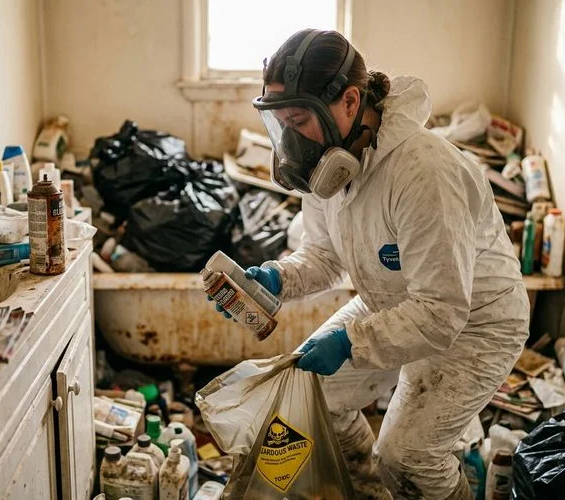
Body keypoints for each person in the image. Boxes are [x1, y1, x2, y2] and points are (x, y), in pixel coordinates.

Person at [208, 29, 529, 500]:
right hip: (393, 303)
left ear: (351, 100)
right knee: (315, 395)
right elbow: (324, 256)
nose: (291, 141)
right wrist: (277, 278)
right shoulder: (329, 165)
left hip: (476, 322)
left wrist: (351, 341)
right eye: (281, 124)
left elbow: (440, 313)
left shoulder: (424, 173)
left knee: (408, 457)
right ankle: (372, 493)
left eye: (299, 121)